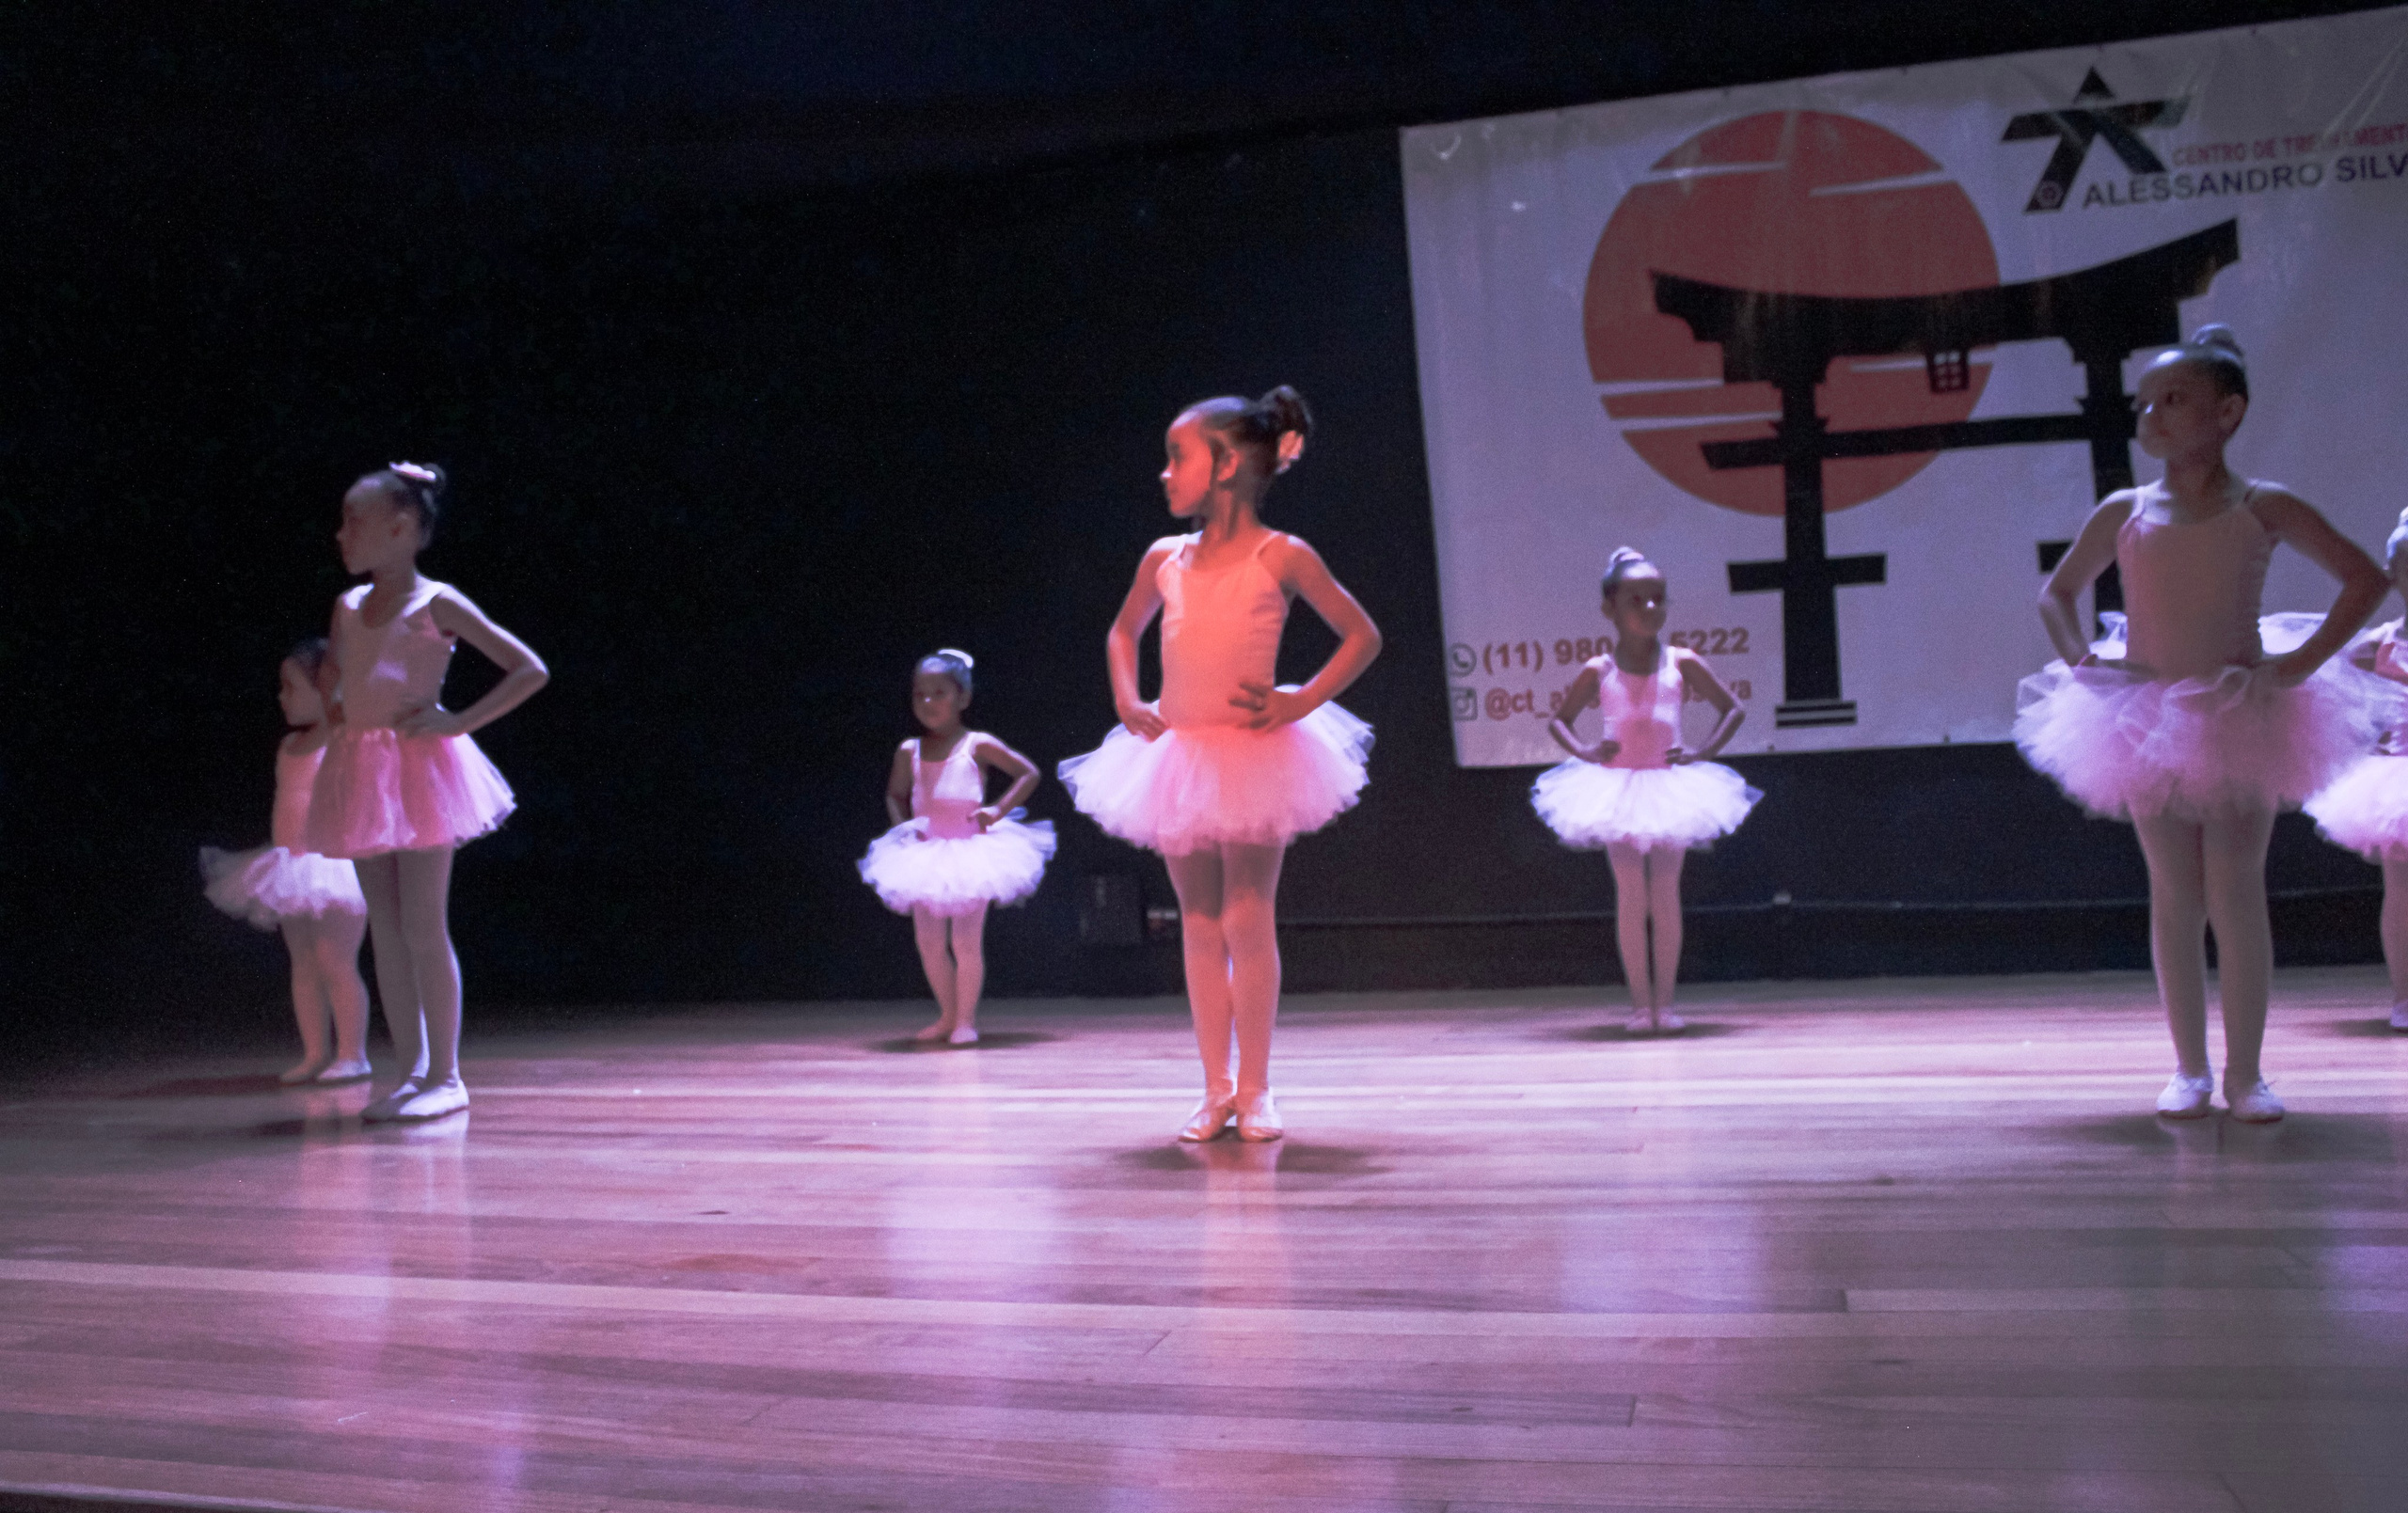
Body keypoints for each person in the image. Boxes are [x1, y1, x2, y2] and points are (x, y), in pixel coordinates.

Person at [2016, 327, 2385, 1122]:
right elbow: (2057, 592)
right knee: (2174, 894)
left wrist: (2301, 663)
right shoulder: (2126, 510)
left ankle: (2246, 1074)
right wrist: (2082, 661)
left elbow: (2365, 577)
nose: (2153, 415)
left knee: (2236, 890)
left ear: (2228, 412)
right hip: (2145, 718)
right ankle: (2187, 1067)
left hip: (2238, 712)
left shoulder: (2264, 505)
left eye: (2174, 399)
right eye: (2146, 402)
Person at [1060, 386, 1381, 1143]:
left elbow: (1361, 636)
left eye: (1179, 457)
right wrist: (1127, 693)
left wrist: (1300, 701)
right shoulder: (1163, 558)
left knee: (1246, 913)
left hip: (1254, 756)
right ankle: (1214, 1089)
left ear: (1227, 463)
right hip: (1178, 754)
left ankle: (1258, 1088)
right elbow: (1121, 629)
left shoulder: (1283, 554)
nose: (1165, 473)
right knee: (1199, 922)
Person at [308, 463, 547, 1123]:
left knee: (421, 922)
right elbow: (340, 675)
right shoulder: (348, 606)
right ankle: (411, 1069)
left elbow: (529, 668)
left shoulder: (436, 602)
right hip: (361, 767)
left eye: (354, 522)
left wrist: (458, 720)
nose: (341, 534)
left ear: (403, 527)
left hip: (417, 769)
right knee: (384, 927)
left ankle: (447, 1073)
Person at [1532, 548, 1754, 1033]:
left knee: (1666, 895)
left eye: (1658, 600)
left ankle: (1666, 1005)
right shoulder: (1600, 670)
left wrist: (1700, 752)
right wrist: (1587, 751)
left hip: (1670, 787)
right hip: (1618, 789)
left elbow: (1732, 708)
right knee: (1631, 895)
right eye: (1637, 601)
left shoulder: (1682, 661)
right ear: (1610, 609)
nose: (1650, 610)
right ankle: (1640, 1006)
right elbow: (1559, 720)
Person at [858, 650, 1054, 1046]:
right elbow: (896, 794)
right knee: (928, 943)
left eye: (939, 693)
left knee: (965, 941)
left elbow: (1028, 772)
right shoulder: (908, 750)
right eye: (920, 694)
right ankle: (947, 1015)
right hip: (925, 855)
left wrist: (997, 810)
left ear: (962, 698)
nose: (928, 702)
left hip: (970, 853)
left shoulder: (976, 744)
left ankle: (965, 1019)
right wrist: (904, 828)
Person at [199, 638, 372, 1084]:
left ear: (327, 689)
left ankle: (353, 1055)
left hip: (334, 867)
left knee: (337, 962)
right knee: (303, 964)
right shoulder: (289, 745)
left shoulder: (343, 738)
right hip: (289, 866)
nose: (282, 696)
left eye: (293, 686)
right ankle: (316, 1052)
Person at [2303, 507, 2408, 1032]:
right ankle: (2405, 994)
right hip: (2397, 778)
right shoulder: (2377, 644)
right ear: (2395, 576)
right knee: (2403, 890)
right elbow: (2331, 680)